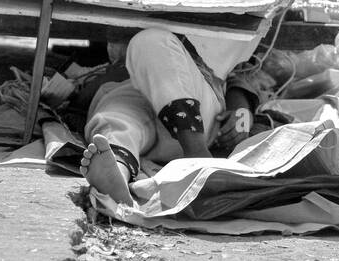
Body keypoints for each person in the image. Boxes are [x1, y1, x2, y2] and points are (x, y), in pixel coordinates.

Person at [79, 29, 271, 204]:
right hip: (129, 90)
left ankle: (197, 158)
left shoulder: (239, 10)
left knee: (150, 40)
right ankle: (117, 169)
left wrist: (242, 114)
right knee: (116, 118)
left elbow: (244, 77)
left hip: (194, 115)